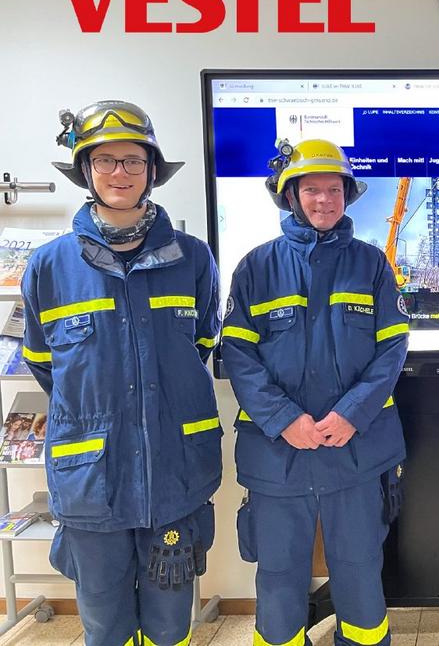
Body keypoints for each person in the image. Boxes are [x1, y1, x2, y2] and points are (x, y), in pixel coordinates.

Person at [20, 101, 222, 646]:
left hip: (175, 473)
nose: (119, 172)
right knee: (105, 623)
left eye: (133, 160)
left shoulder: (192, 258)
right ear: (86, 171)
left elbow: (202, 344)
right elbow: (44, 363)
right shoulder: (49, 266)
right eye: (105, 160)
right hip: (92, 479)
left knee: (170, 622)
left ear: (151, 170)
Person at [222, 138, 410, 646]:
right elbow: (238, 355)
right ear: (290, 196)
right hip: (278, 456)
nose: (324, 200)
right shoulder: (256, 267)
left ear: (347, 195)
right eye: (311, 190)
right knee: (279, 580)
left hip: (356, 452)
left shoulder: (372, 265)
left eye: (334, 189)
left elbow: (392, 349)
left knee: (361, 576)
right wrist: (283, 418)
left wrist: (352, 413)